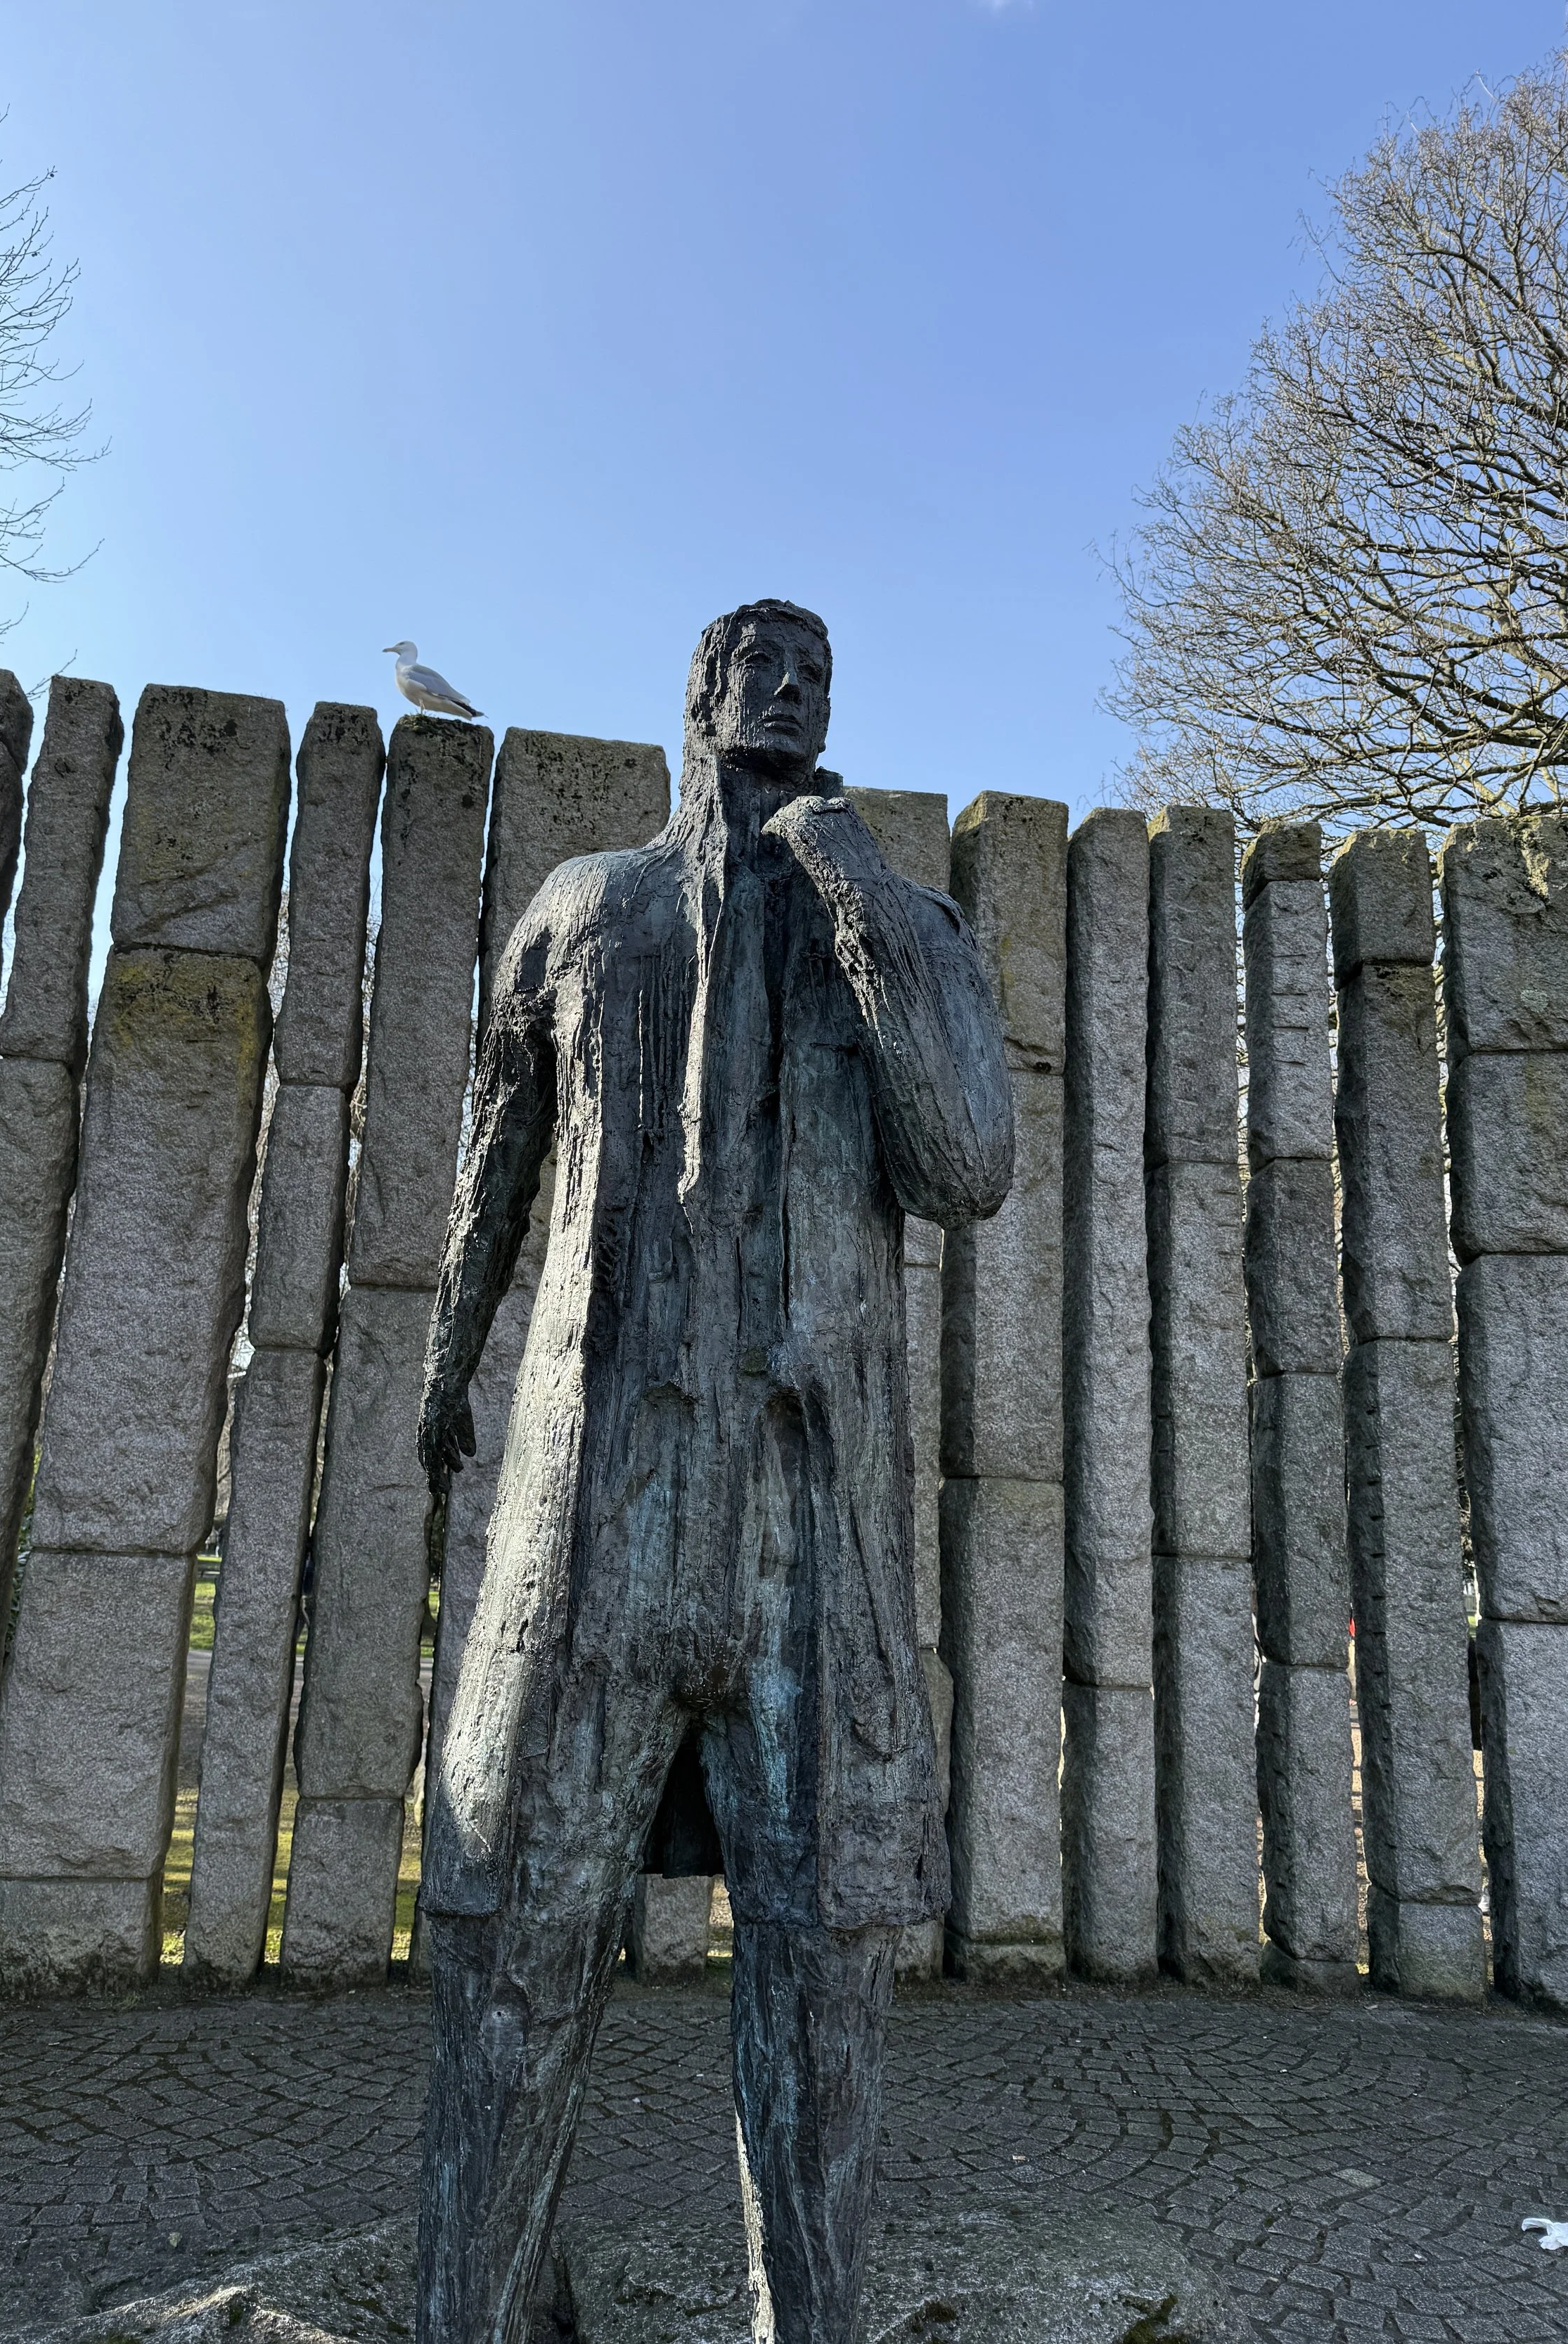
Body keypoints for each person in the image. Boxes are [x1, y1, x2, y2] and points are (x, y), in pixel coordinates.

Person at [416, 599, 1013, 2344]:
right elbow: (495, 1150)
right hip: (592, 1500)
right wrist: (449, 1357)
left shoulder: (893, 928)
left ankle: (805, 2325)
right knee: (509, 1928)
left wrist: (860, 896)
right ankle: (484, 2310)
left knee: (826, 1960)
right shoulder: (581, 906)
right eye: (754, 666)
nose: (787, 691)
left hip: (807, 1524)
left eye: (815, 671)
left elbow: (965, 1163)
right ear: (691, 699)